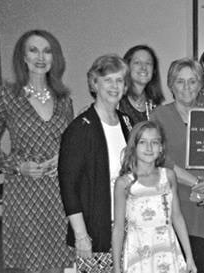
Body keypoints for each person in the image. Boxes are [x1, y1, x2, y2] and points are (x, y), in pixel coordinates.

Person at [0, 29, 73, 273]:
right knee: (33, 263)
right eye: (33, 50)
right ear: (23, 56)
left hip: (58, 190)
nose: (40, 57)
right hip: (24, 190)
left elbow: (71, 144)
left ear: (55, 57)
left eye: (47, 50)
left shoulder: (64, 99)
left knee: (61, 260)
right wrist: (16, 166)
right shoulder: (7, 96)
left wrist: (61, 159)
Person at [58, 54, 132, 272]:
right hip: (95, 231)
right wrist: (81, 235)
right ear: (94, 82)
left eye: (119, 80)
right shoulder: (80, 128)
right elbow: (68, 186)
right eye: (107, 79)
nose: (114, 86)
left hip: (127, 225)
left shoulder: (127, 123)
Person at [150, 58, 204, 273]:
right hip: (172, 208)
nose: (187, 87)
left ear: (201, 84)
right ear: (171, 85)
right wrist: (195, 182)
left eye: (192, 81)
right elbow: (159, 159)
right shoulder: (158, 117)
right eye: (180, 82)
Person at [111, 121, 197, 273]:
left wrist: (189, 256)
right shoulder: (124, 183)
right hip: (138, 254)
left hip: (167, 251)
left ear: (161, 147)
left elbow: (177, 217)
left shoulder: (168, 176)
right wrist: (117, 267)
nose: (149, 148)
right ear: (134, 147)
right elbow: (118, 229)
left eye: (154, 142)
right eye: (143, 142)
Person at [119, 45, 165, 124]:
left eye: (148, 63)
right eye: (137, 62)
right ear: (127, 67)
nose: (143, 67)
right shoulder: (118, 102)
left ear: (154, 70)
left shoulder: (155, 106)